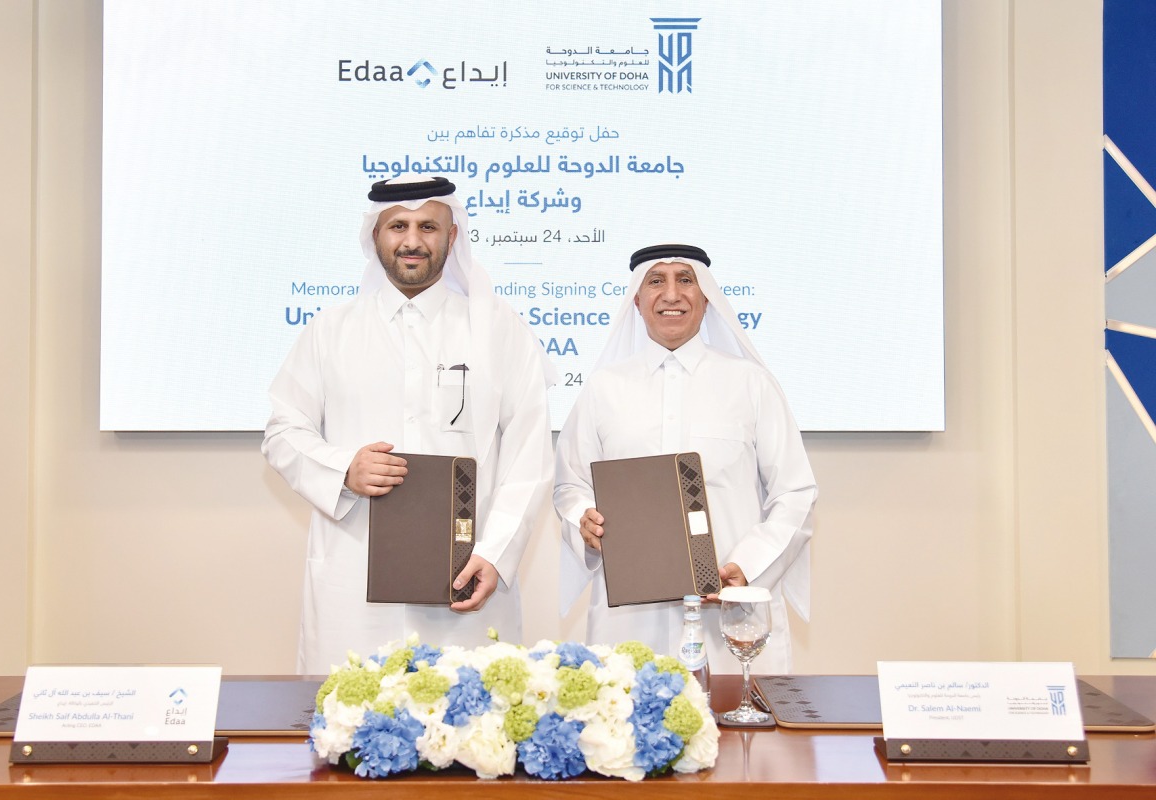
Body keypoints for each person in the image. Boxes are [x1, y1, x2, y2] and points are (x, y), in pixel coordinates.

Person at [263, 176, 553, 674]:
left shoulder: (500, 328)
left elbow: (530, 453)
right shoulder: (330, 331)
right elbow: (283, 431)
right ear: (375, 235)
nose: (413, 241)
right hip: (354, 580)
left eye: (428, 227)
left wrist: (497, 551)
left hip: (466, 572)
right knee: (353, 732)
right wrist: (343, 469)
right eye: (398, 226)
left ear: (452, 236)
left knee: (469, 735)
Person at [554, 244, 816, 672]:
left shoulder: (751, 383)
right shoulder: (604, 388)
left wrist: (745, 568)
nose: (671, 294)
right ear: (636, 301)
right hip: (630, 618)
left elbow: (796, 493)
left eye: (685, 280)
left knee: (740, 734)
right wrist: (583, 518)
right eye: (655, 281)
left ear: (706, 296)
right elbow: (570, 486)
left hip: (730, 611)